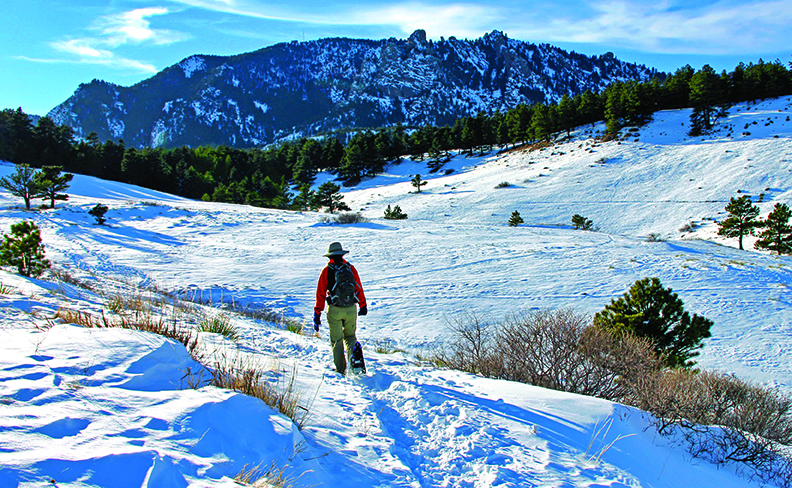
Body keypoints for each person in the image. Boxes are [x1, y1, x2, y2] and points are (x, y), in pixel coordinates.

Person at [314, 242, 367, 374]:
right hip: (351, 309)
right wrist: (363, 305)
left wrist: (317, 313)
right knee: (350, 337)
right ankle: (355, 363)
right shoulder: (350, 268)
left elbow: (320, 294)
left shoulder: (327, 271)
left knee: (337, 340)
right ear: (342, 254)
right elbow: (358, 287)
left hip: (334, 310)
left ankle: (341, 369)